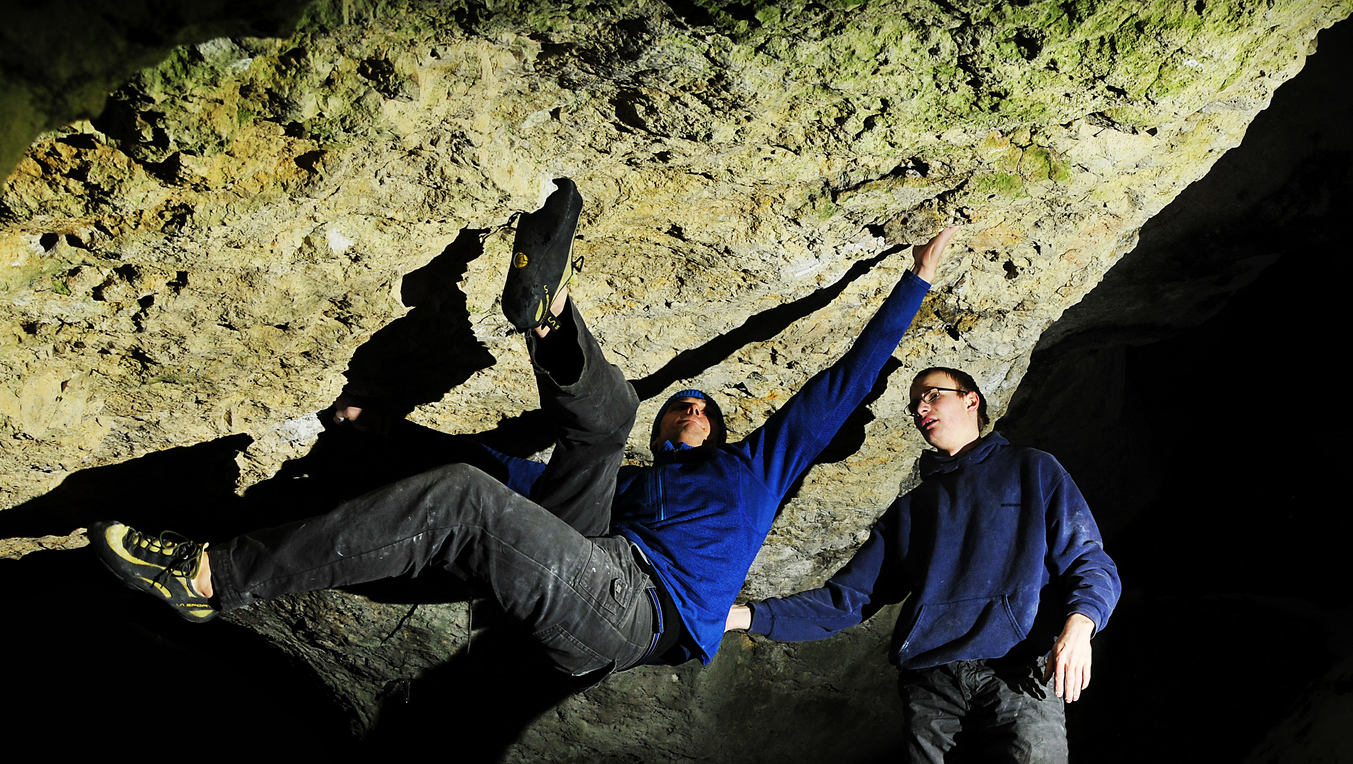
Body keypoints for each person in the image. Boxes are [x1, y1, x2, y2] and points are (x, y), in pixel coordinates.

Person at [92, 178, 957, 677]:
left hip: (634, 613)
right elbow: (502, 472)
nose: (690, 407)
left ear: (723, 434)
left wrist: (915, 283)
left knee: (472, 499)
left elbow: (841, 385)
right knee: (591, 425)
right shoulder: (630, 481)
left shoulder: (758, 469)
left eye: (703, 409)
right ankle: (547, 315)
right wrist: (383, 430)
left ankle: (211, 577)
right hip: (591, 547)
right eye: (680, 408)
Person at [725, 365, 1121, 764]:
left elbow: (1090, 561)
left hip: (1015, 679)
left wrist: (1080, 626)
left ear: (973, 402)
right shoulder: (912, 508)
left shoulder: (1032, 470)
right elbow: (844, 601)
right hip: (933, 691)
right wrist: (745, 615)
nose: (920, 408)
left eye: (932, 395)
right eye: (914, 402)